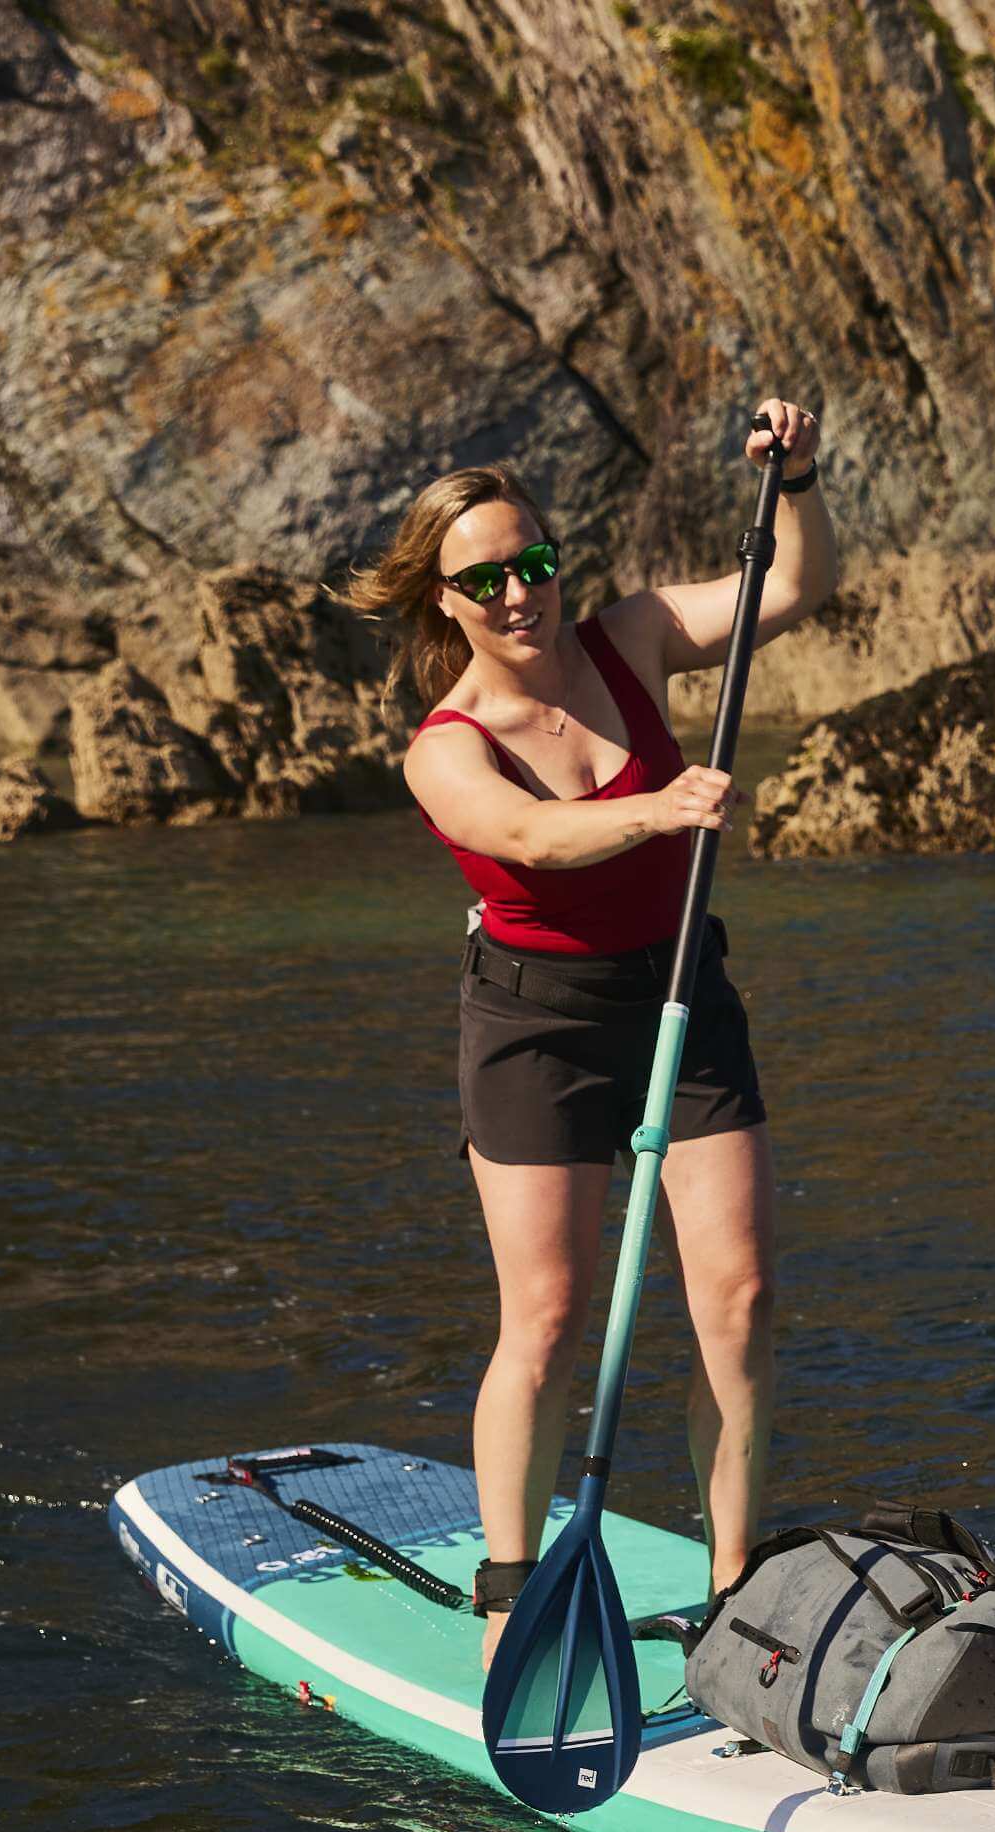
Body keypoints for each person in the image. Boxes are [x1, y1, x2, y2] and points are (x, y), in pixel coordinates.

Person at [337, 401, 837, 1640]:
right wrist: (657, 812)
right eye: (487, 578)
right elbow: (526, 838)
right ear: (441, 600)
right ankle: (511, 1590)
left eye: (536, 563)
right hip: (534, 1028)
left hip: (679, 990)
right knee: (551, 1318)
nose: (521, 593)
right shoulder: (443, 746)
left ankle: (735, 1593)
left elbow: (791, 588)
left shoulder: (631, 638)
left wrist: (802, 476)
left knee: (742, 1296)